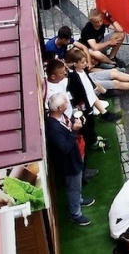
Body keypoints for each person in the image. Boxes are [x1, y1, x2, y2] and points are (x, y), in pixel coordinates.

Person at [45, 93, 94, 226]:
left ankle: (78, 200)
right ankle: (75, 214)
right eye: (66, 103)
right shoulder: (54, 128)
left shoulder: (60, 117)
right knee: (73, 187)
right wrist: (74, 131)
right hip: (69, 163)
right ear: (60, 108)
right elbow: (65, 147)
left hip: (76, 155)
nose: (68, 104)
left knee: (76, 186)